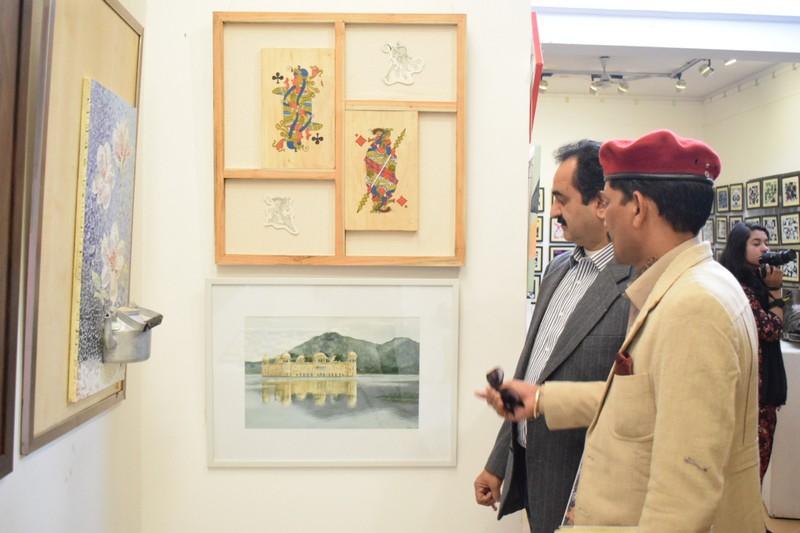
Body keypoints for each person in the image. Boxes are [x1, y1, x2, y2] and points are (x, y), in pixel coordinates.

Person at [480, 130, 764, 532]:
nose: (606, 217)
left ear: (638, 209)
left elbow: (682, 498)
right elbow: (645, 399)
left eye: (609, 202)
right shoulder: (693, 286)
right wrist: (542, 399)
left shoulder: (693, 307)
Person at [473, 140, 633, 533]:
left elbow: (636, 399)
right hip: (533, 471)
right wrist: (498, 463)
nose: (553, 211)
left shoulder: (637, 286)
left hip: (587, 485)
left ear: (600, 203)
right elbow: (532, 371)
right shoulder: (557, 271)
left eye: (561, 199)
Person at [720, 222, 787, 482]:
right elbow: (771, 329)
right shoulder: (740, 287)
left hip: (757, 387)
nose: (765, 248)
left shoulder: (754, 280)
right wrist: (776, 291)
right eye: (756, 243)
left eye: (766, 242)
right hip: (752, 390)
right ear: (739, 247)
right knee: (752, 466)